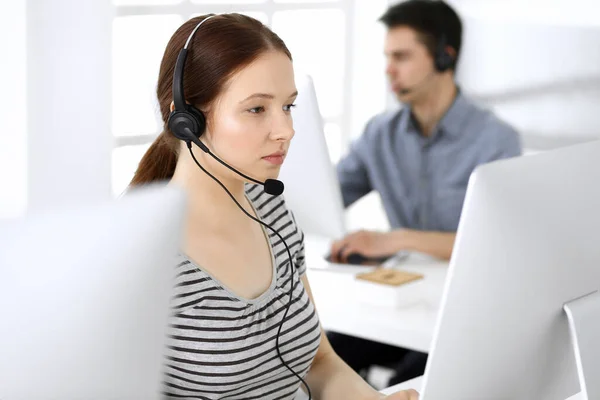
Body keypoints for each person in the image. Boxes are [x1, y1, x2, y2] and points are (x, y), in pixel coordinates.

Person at [129, 13, 419, 400]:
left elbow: (319, 365)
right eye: (256, 109)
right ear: (185, 119)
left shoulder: (274, 213)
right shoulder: (143, 256)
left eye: (288, 106)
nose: (286, 130)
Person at [327, 0, 522, 387]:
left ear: (445, 56)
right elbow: (327, 196)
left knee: (407, 385)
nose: (388, 69)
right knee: (323, 366)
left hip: (466, 310)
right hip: (401, 298)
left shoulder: (495, 141)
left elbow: (497, 245)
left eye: (401, 56)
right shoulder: (379, 134)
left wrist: (392, 239)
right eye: (387, 56)